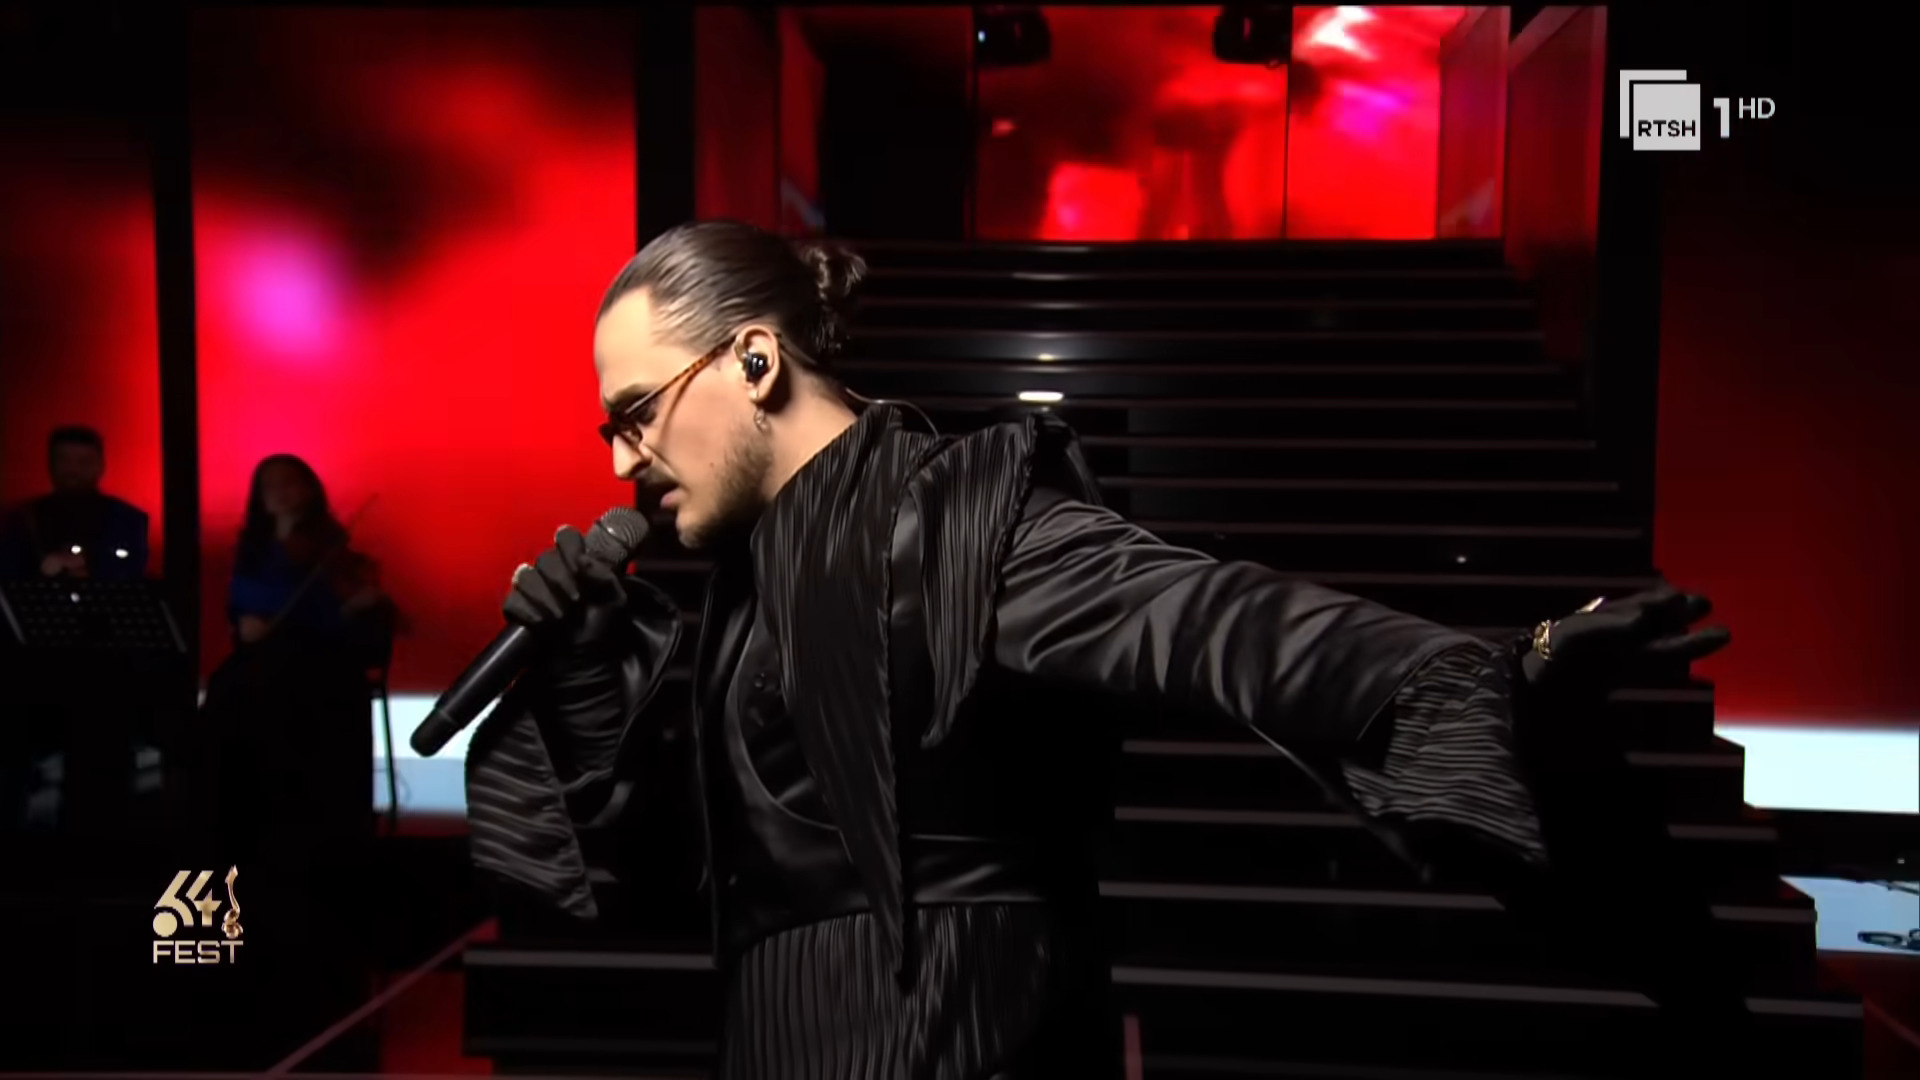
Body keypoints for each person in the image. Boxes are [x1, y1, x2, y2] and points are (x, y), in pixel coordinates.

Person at [465, 221, 1730, 1079]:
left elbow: (1203, 616)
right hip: (787, 1038)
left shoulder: (946, 514)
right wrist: (584, 671)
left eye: (637, 413)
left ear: (753, 358)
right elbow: (676, 880)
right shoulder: (740, 595)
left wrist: (1503, 661)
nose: (622, 460)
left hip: (951, 1030)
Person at [0, 425, 150, 582]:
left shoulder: (129, 520)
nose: (73, 470)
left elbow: (132, 572)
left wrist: (91, 570)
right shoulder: (20, 519)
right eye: (64, 461)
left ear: (101, 465)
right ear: (50, 464)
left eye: (84, 462)